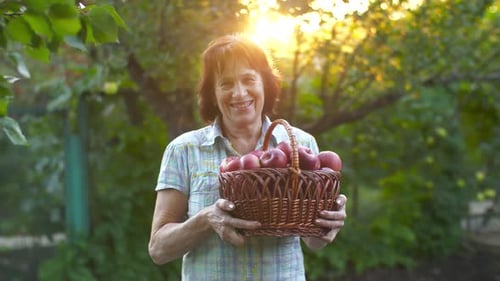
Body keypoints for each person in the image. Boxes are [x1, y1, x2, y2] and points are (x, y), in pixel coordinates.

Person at [148, 34, 347, 281]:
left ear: (265, 83)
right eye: (226, 83)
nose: (239, 93)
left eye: (248, 79)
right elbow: (158, 249)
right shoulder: (184, 150)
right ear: (212, 93)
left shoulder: (300, 146)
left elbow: (313, 242)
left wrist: (327, 225)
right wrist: (206, 219)